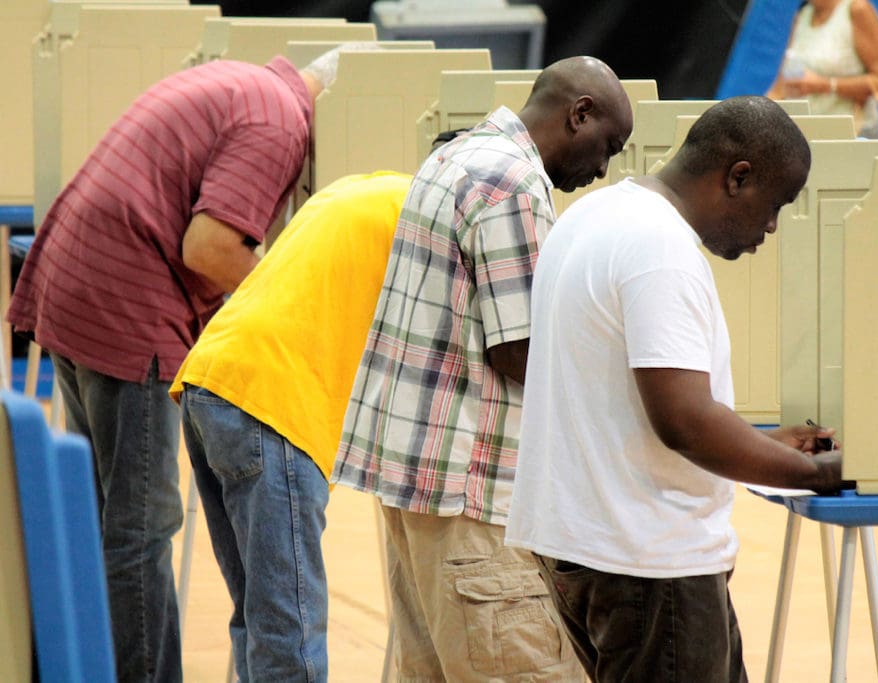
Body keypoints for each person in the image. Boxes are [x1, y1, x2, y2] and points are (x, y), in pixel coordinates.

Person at [5, 47, 346, 682]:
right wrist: (286, 298)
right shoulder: (280, 122)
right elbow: (211, 245)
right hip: (126, 306)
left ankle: (83, 668)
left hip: (76, 287)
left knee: (97, 512)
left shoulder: (238, 82)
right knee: (141, 528)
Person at [503, 95, 850, 683]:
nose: (771, 226)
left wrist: (767, 443)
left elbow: (622, 400)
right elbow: (684, 422)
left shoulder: (595, 214)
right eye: (775, 205)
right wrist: (819, 474)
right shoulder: (659, 250)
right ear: (738, 177)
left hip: (589, 548)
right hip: (649, 563)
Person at [331, 56, 634, 681]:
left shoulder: (457, 155)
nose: (604, 169)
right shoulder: (515, 186)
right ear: (579, 115)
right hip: (473, 493)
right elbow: (520, 350)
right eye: (608, 147)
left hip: (419, 481)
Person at [169, 129, 469, 683]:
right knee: (291, 633)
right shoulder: (432, 226)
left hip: (210, 382)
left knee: (260, 619)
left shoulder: (362, 190)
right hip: (270, 407)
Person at [766, 0, 878, 138]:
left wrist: (824, 85)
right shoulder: (803, 13)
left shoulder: (857, 10)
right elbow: (780, 88)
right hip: (804, 138)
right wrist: (752, 117)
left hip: (851, 137)